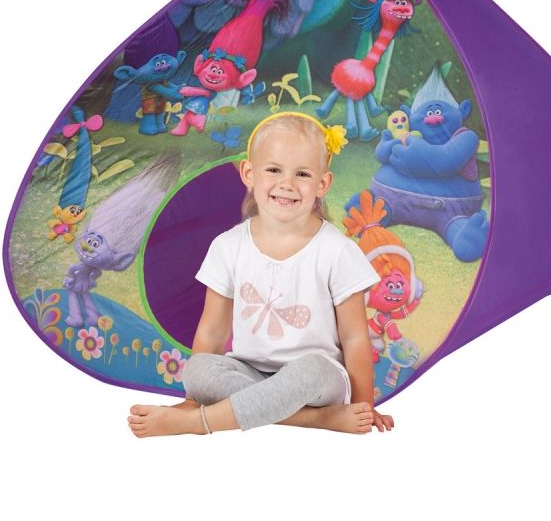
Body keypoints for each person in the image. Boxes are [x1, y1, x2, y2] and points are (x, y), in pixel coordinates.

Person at [127, 111, 396, 436]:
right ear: (249, 173)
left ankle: (202, 423)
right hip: (247, 371)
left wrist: (364, 405)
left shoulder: (337, 251)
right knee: (197, 369)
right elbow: (212, 331)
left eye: (302, 174)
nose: (287, 183)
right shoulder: (228, 245)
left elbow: (354, 337)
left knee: (309, 370)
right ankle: (315, 420)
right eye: (273, 170)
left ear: (322, 184)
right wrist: (192, 399)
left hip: (317, 381)